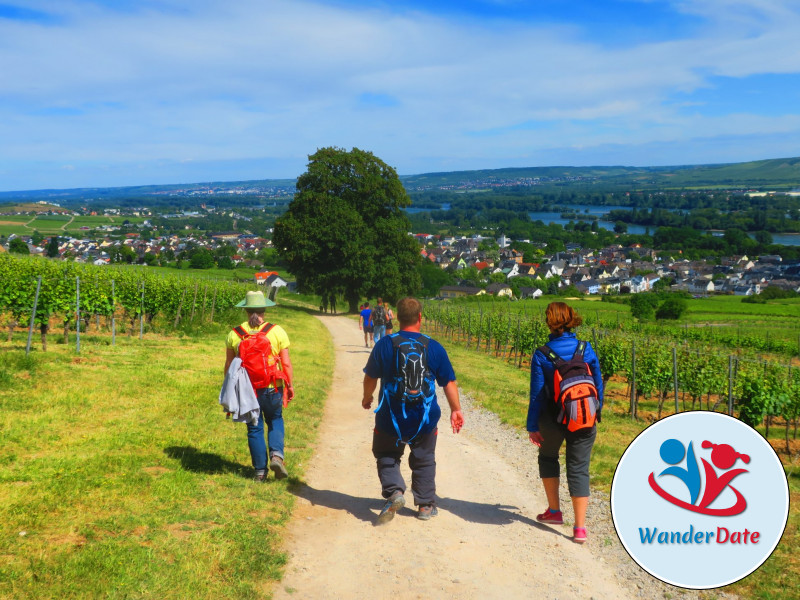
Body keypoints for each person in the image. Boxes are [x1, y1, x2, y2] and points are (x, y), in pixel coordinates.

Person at [362, 296, 464, 523]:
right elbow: (448, 382)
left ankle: (395, 492)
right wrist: (455, 410)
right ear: (420, 317)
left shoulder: (385, 345)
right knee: (424, 458)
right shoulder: (434, 347)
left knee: (387, 454)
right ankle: (426, 506)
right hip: (424, 419)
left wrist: (367, 397)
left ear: (397, 318)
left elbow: (370, 377)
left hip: (390, 417)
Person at [527, 302, 602, 544]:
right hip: (584, 417)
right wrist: (594, 412)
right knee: (579, 467)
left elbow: (537, 394)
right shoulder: (586, 348)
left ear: (549, 321)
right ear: (571, 319)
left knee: (548, 457)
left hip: (552, 418)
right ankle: (580, 529)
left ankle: (555, 512)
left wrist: (532, 426)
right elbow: (598, 385)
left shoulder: (542, 353)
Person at [224, 290, 294, 481]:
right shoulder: (276, 331)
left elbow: (230, 366)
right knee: (275, 419)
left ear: (245, 310)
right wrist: (289, 385)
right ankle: (277, 456)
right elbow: (286, 363)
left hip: (247, 389)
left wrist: (229, 390)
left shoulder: (235, 334)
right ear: (264, 309)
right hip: (272, 386)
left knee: (254, 427)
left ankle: (260, 472)